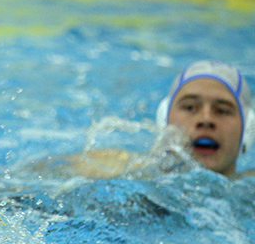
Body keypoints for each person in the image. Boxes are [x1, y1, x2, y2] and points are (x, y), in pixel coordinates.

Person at [52, 60, 253, 179]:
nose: (206, 120)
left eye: (223, 111)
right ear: (164, 120)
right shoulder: (120, 167)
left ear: (247, 129)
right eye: (190, 107)